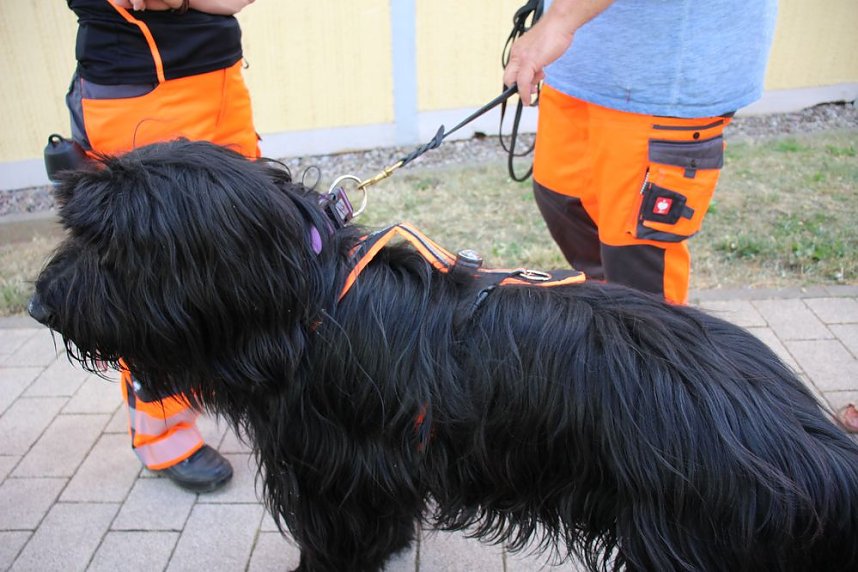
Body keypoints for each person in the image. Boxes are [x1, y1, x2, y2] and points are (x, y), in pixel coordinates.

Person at [65, 0, 259, 492]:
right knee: (150, 275)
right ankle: (165, 436)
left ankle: (243, 388)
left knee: (241, 252)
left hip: (219, 77)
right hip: (135, 87)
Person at [503, 0, 778, 304]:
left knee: (636, 263)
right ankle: (610, 322)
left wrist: (557, 22)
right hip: (577, 67)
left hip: (663, 79)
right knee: (563, 202)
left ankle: (651, 333)